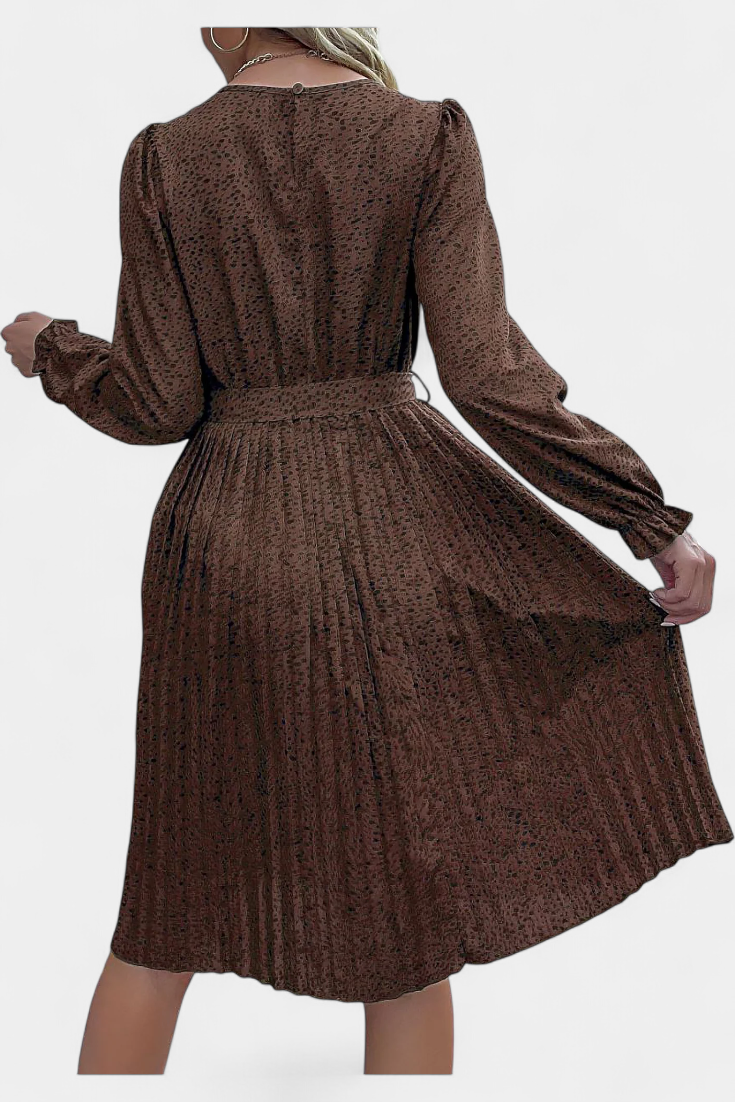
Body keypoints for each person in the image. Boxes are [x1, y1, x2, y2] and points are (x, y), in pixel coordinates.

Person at [2, 26, 731, 1076]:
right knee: (406, 907)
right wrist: (642, 515)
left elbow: (157, 403)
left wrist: (51, 349)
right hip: (393, 533)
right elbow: (488, 377)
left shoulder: (165, 156)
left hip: (224, 549)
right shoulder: (423, 136)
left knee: (167, 903)